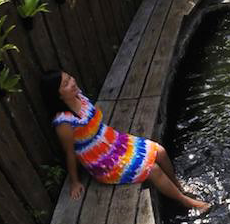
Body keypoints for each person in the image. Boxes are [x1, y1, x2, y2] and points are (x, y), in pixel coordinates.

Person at [41, 70, 210, 211]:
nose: (72, 82)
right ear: (58, 95)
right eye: (65, 84)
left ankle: (177, 186)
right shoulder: (64, 122)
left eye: (69, 78)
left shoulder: (79, 97)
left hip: (115, 142)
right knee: (152, 169)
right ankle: (185, 201)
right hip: (102, 160)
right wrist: (75, 181)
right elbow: (70, 153)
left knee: (159, 150)